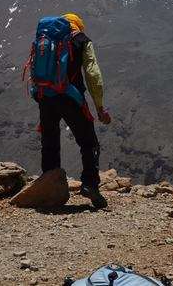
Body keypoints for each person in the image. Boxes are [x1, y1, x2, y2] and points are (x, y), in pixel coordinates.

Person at [35, 12, 111, 209]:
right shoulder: (81, 40)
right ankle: (90, 184)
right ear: (78, 25)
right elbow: (93, 74)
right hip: (71, 97)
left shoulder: (45, 37)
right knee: (88, 142)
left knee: (50, 141)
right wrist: (99, 106)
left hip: (45, 96)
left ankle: (50, 188)